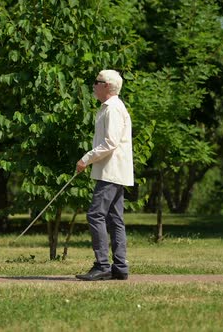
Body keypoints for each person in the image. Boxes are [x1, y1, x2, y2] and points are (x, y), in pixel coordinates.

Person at [75, 69, 134, 281]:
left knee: (95, 215)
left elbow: (110, 142)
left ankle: (102, 265)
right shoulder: (109, 108)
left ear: (106, 86)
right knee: (115, 219)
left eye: (96, 82)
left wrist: (85, 159)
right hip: (113, 171)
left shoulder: (113, 109)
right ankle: (120, 267)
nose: (93, 85)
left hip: (111, 171)